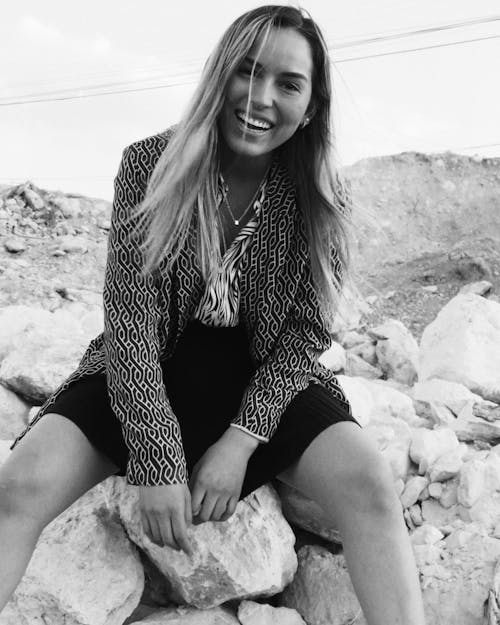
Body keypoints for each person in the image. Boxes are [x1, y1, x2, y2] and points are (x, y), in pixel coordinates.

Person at [0, 5, 426, 624]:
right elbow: (131, 315)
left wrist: (239, 442)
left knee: (370, 486)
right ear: (218, 76)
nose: (261, 97)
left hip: (264, 371)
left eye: (288, 83)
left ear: (311, 105)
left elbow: (306, 330)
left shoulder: (320, 193)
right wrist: (155, 456)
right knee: (19, 486)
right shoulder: (150, 164)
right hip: (153, 359)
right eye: (246, 72)